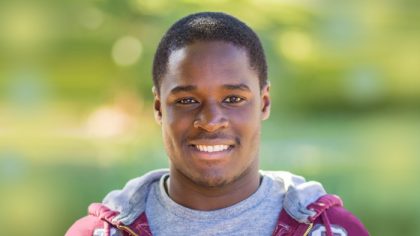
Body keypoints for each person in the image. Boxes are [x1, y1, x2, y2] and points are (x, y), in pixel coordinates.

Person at [66, 12, 369, 236]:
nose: (210, 121)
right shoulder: (96, 232)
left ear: (263, 102)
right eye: (187, 100)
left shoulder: (334, 230)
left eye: (233, 99)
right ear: (159, 108)